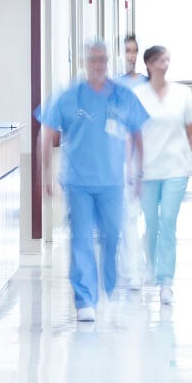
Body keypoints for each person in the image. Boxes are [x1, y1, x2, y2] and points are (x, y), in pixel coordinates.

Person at [38, 38, 148, 323]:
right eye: (92, 60)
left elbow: (137, 134)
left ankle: (108, 286)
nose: (98, 65)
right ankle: (84, 298)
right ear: (84, 63)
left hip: (112, 181)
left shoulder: (122, 96)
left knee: (113, 237)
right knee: (81, 240)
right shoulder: (69, 95)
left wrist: (138, 173)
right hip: (78, 181)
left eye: (102, 60)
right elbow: (47, 132)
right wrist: (45, 172)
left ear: (108, 62)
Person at [133, 44, 192, 305]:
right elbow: (130, 136)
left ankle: (166, 281)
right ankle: (150, 268)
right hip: (147, 170)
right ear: (149, 64)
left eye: (167, 59)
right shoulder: (137, 96)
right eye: (160, 60)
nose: (165, 64)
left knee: (167, 222)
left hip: (177, 168)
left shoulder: (182, 93)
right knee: (151, 223)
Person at [113, 33, 148, 290]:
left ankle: (140, 267)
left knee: (148, 218)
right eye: (127, 51)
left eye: (134, 51)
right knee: (128, 218)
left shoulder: (147, 85)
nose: (132, 56)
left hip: (147, 158)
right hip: (123, 161)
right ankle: (131, 271)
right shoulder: (113, 87)